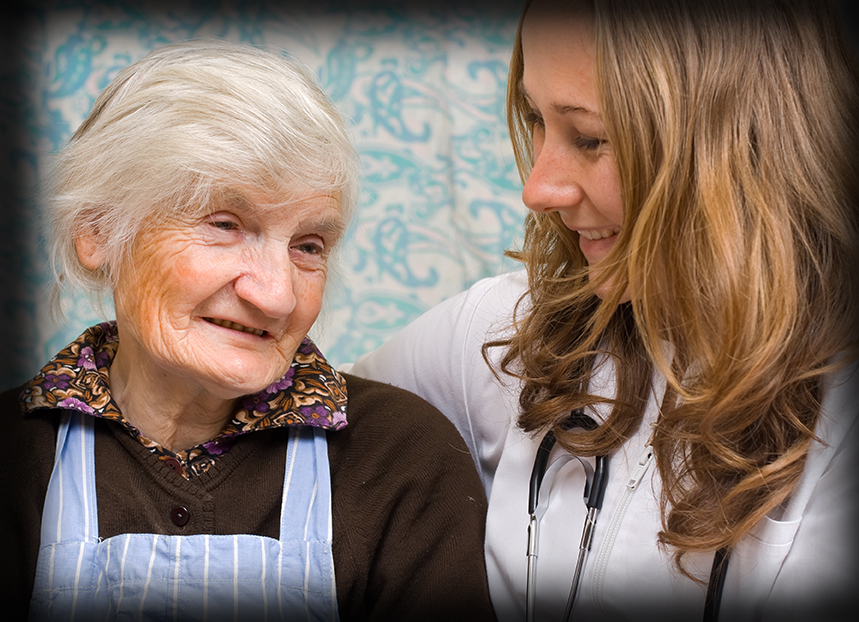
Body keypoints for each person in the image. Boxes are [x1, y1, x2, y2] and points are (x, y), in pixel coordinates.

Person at [347, 0, 859, 620]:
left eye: (589, 138)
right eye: (535, 120)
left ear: (743, 145)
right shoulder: (502, 332)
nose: (538, 189)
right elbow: (293, 428)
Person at [0, 40, 496, 622]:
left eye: (308, 246)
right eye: (225, 224)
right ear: (99, 231)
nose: (278, 295)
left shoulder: (400, 456)